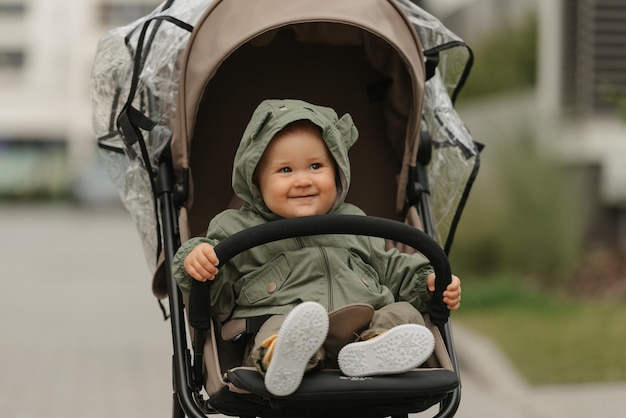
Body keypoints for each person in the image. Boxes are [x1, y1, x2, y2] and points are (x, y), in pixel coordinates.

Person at [173, 99, 461, 397]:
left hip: (361, 330)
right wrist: (199, 261)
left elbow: (391, 267)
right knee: (279, 328)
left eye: (315, 166)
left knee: (404, 313)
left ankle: (376, 350)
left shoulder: (354, 222)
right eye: (285, 170)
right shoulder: (236, 229)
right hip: (282, 325)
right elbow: (216, 298)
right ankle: (284, 356)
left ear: (337, 172)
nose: (302, 180)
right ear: (256, 181)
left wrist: (428, 282)